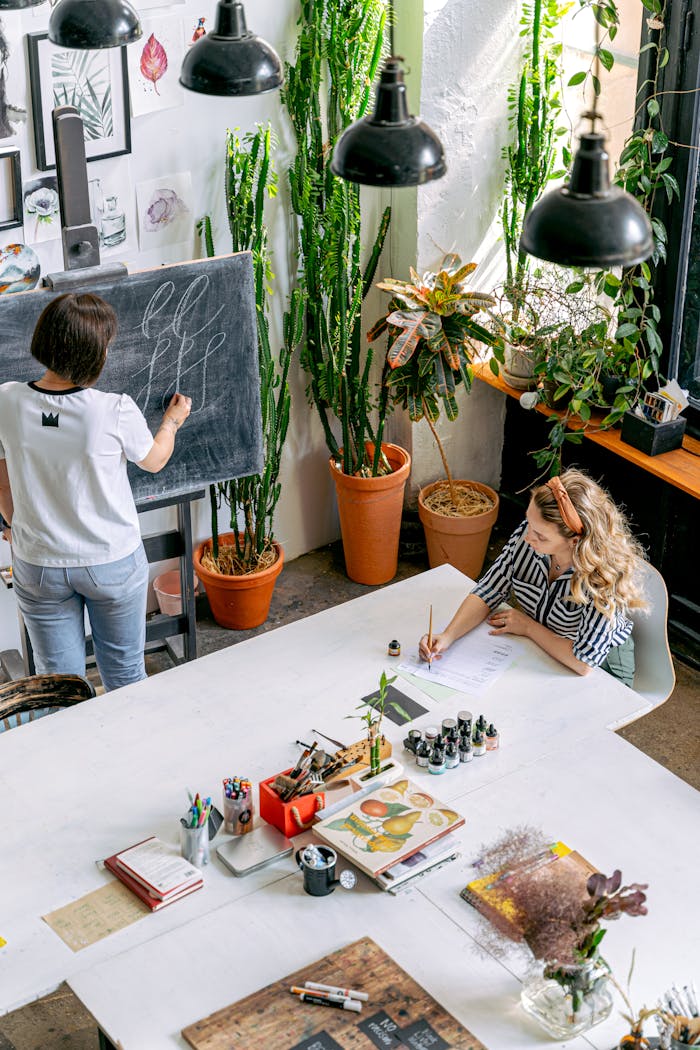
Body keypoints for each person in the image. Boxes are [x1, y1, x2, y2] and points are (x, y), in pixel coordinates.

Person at [0, 292, 191, 691]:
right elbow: (154, 460)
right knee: (125, 676)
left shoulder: (8, 400)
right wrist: (171, 422)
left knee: (61, 687)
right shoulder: (113, 409)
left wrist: (12, 522)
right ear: (94, 354)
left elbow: (1, 468)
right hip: (111, 560)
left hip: (38, 563)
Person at [419, 468, 648, 686]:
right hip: (546, 649)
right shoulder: (529, 536)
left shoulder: (602, 577)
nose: (527, 537)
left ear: (574, 542)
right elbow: (489, 590)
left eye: (540, 535)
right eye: (528, 523)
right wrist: (448, 636)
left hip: (603, 664)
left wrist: (528, 627)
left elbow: (583, 663)